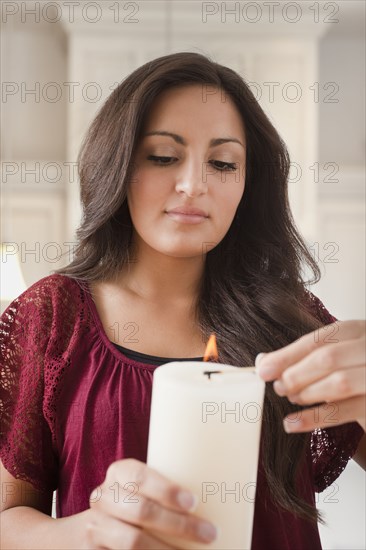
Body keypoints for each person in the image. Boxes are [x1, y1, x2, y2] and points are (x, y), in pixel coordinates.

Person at [0, 52, 364, 550]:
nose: (194, 185)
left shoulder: (290, 316)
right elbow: (7, 515)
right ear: (118, 165)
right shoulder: (51, 316)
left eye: (222, 162)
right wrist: (85, 533)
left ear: (246, 183)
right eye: (163, 157)